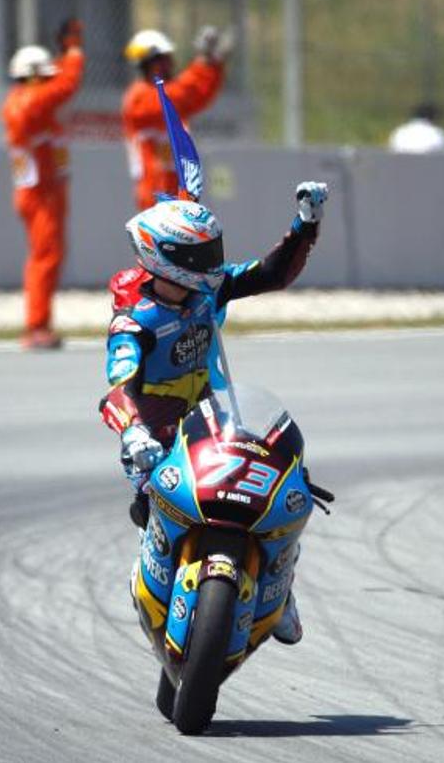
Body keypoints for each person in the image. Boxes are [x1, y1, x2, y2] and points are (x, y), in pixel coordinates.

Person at [98, 182, 330, 645]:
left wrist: (305, 225)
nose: (212, 263)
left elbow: (269, 274)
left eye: (212, 251)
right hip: (153, 437)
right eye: (200, 254)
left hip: (211, 417)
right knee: (150, 506)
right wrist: (133, 433)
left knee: (279, 486)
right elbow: (118, 386)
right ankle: (152, 575)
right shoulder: (134, 321)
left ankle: (279, 589)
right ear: (165, 256)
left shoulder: (207, 292)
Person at [0, 20, 85, 350]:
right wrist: (74, 54)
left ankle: (41, 324)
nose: (51, 81)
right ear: (32, 77)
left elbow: (57, 86)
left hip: (46, 192)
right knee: (44, 257)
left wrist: (63, 54)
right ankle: (35, 326)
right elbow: (64, 86)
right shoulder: (26, 103)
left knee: (49, 256)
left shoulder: (32, 103)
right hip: (39, 195)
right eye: (45, 77)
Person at [122, 27, 230, 210]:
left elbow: (199, 96)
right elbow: (176, 96)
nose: (170, 65)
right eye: (163, 60)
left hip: (178, 192)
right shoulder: (138, 97)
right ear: (148, 63)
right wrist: (201, 64)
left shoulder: (171, 96)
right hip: (153, 194)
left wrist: (214, 67)